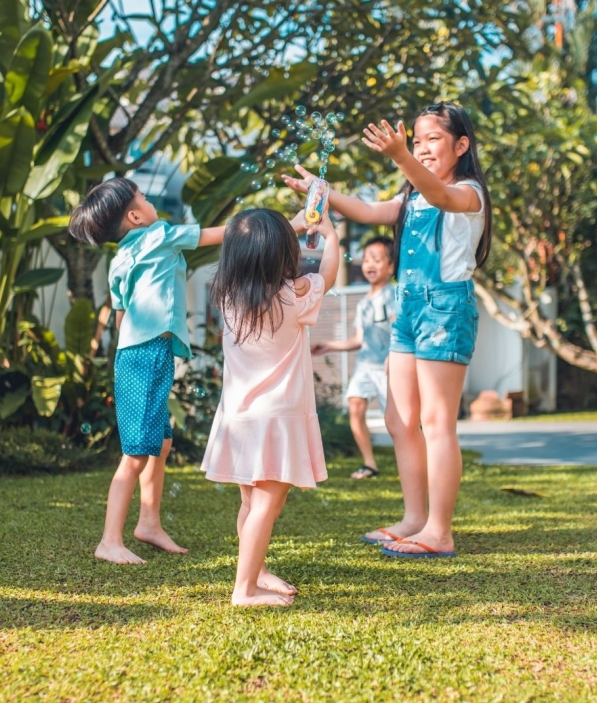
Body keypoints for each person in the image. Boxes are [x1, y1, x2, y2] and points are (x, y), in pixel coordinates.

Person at [283, 102, 491, 559]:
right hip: (409, 308)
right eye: (416, 141)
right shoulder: (411, 196)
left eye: (432, 140)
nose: (422, 148)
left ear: (461, 145)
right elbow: (367, 209)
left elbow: (440, 195)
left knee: (436, 422)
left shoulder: (468, 192)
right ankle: (415, 519)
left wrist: (400, 155)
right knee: (399, 420)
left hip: (444, 309)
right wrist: (323, 194)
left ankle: (440, 530)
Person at [68, 177, 224, 565]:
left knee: (162, 441)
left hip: (133, 354)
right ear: (136, 216)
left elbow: (121, 313)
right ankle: (109, 541)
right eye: (144, 198)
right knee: (136, 452)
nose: (151, 201)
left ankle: (149, 524)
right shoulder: (160, 235)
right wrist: (283, 226)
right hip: (147, 353)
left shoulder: (120, 257)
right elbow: (216, 235)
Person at [201, 208, 340, 606]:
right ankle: (244, 590)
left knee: (251, 502)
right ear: (283, 253)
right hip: (277, 420)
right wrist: (330, 236)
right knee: (267, 503)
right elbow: (327, 275)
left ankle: (255, 571)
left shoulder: (229, 296)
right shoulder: (293, 296)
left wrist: (290, 225)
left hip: (239, 418)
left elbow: (245, 243)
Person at [310, 236, 397, 479]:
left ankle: (414, 458)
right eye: (367, 259)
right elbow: (358, 340)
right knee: (355, 407)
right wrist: (328, 345)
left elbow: (400, 331)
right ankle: (369, 463)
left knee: (398, 420)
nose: (370, 264)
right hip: (366, 366)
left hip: (389, 367)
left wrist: (394, 356)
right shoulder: (363, 304)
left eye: (377, 260)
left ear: (391, 267)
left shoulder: (393, 296)